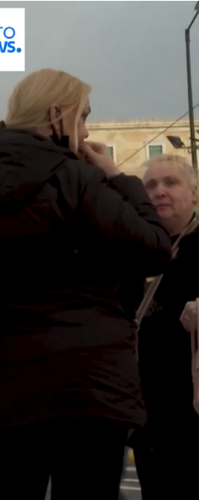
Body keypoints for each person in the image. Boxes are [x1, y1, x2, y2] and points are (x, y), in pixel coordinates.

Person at [0, 68, 171, 499]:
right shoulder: (78, 178)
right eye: (83, 117)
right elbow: (154, 248)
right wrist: (119, 177)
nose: (86, 130)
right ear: (57, 114)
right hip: (87, 384)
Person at [127, 153, 199, 499]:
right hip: (147, 420)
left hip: (192, 416)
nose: (160, 192)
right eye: (151, 185)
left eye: (171, 183)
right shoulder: (134, 252)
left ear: (195, 194)